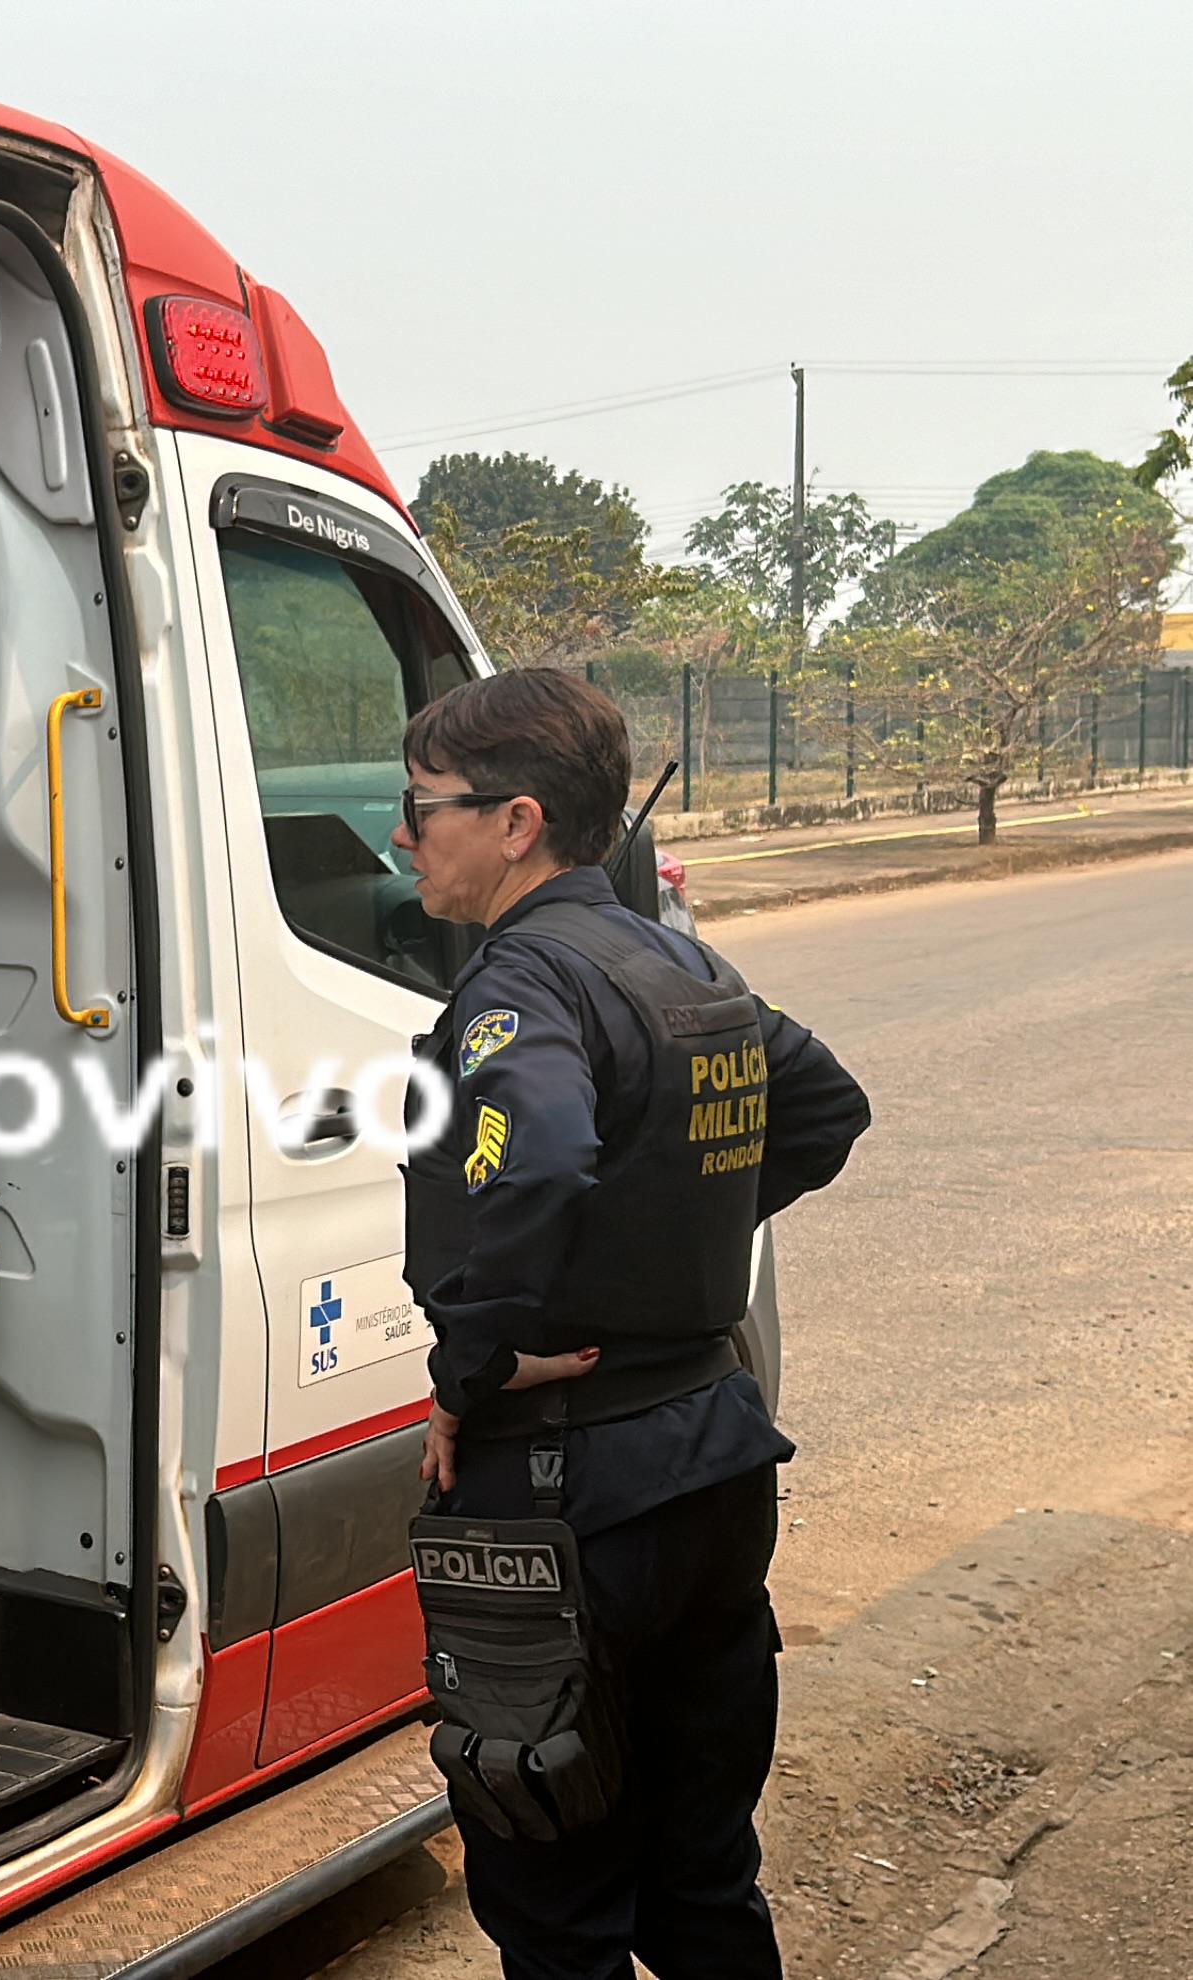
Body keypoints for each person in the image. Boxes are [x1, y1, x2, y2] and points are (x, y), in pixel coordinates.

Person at [390, 669, 870, 1980]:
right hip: (713, 1464)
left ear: (516, 821)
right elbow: (825, 1106)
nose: (401, 834)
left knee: (560, 1903)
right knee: (701, 1882)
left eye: (422, 805)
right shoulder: (677, 959)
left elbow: (537, 1154)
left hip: (563, 1496)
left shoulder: (524, 984)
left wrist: (471, 1363)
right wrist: (668, 1239)